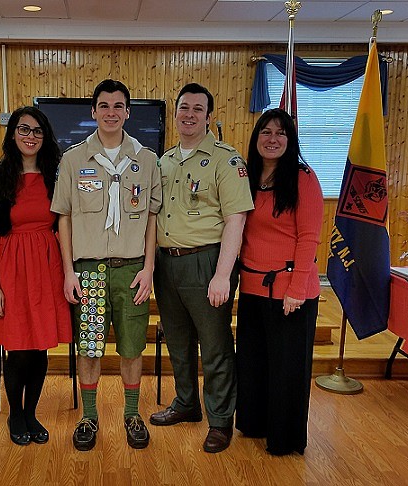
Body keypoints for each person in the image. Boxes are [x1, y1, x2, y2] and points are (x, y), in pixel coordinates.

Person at [51, 79, 162, 451]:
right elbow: (63, 218)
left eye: (118, 106)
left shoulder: (146, 160)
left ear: (128, 112)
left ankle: (132, 413)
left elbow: (151, 219)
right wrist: (69, 271)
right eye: (104, 105)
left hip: (132, 271)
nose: (111, 112)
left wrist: (148, 268)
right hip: (90, 271)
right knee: (89, 348)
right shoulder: (72, 159)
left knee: (132, 348)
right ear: (93, 112)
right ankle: (89, 417)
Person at [150, 83, 253, 453]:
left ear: (209, 116)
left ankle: (221, 420)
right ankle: (186, 403)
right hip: (167, 265)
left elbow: (236, 219)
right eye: (184, 108)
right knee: (178, 342)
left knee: (215, 347)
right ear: (175, 113)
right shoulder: (164, 161)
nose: (189, 115)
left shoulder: (227, 160)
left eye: (197, 109)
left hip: (207, 263)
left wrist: (223, 274)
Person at [0, 106, 71, 446]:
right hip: (10, 268)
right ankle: (16, 414)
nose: (31, 136)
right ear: (12, 134)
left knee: (41, 347)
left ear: (46, 137)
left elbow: (63, 225)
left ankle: (32, 413)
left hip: (46, 266)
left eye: (38, 131)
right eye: (24, 129)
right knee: (18, 349)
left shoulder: (56, 176)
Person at [236, 108, 323, 456]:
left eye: (280, 133)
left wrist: (297, 290)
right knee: (253, 363)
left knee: (288, 370)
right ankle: (254, 425)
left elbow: (309, 238)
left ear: (290, 140)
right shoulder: (247, 176)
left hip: (290, 292)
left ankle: (285, 440)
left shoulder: (304, 178)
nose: (272, 139)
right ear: (256, 138)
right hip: (252, 289)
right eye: (266, 132)